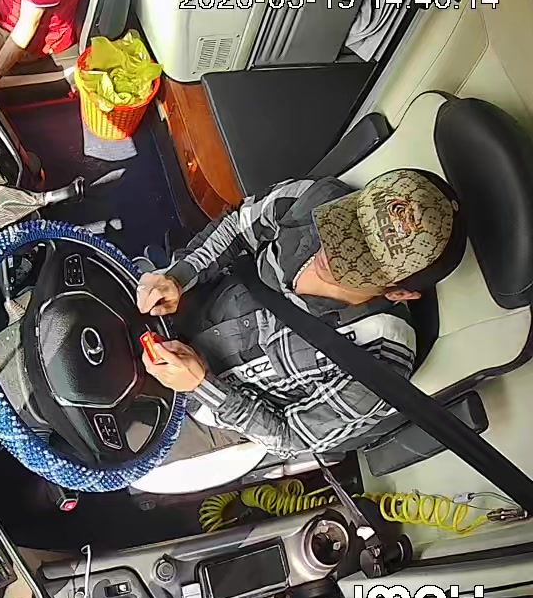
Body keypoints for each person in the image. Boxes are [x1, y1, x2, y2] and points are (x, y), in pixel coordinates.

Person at [135, 169, 464, 458]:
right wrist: (180, 276)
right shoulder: (314, 198)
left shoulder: (380, 365)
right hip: (186, 304)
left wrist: (201, 385)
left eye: (355, 262)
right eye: (345, 223)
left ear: (399, 293)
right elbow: (238, 226)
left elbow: (290, 438)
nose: (330, 250)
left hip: (209, 408)